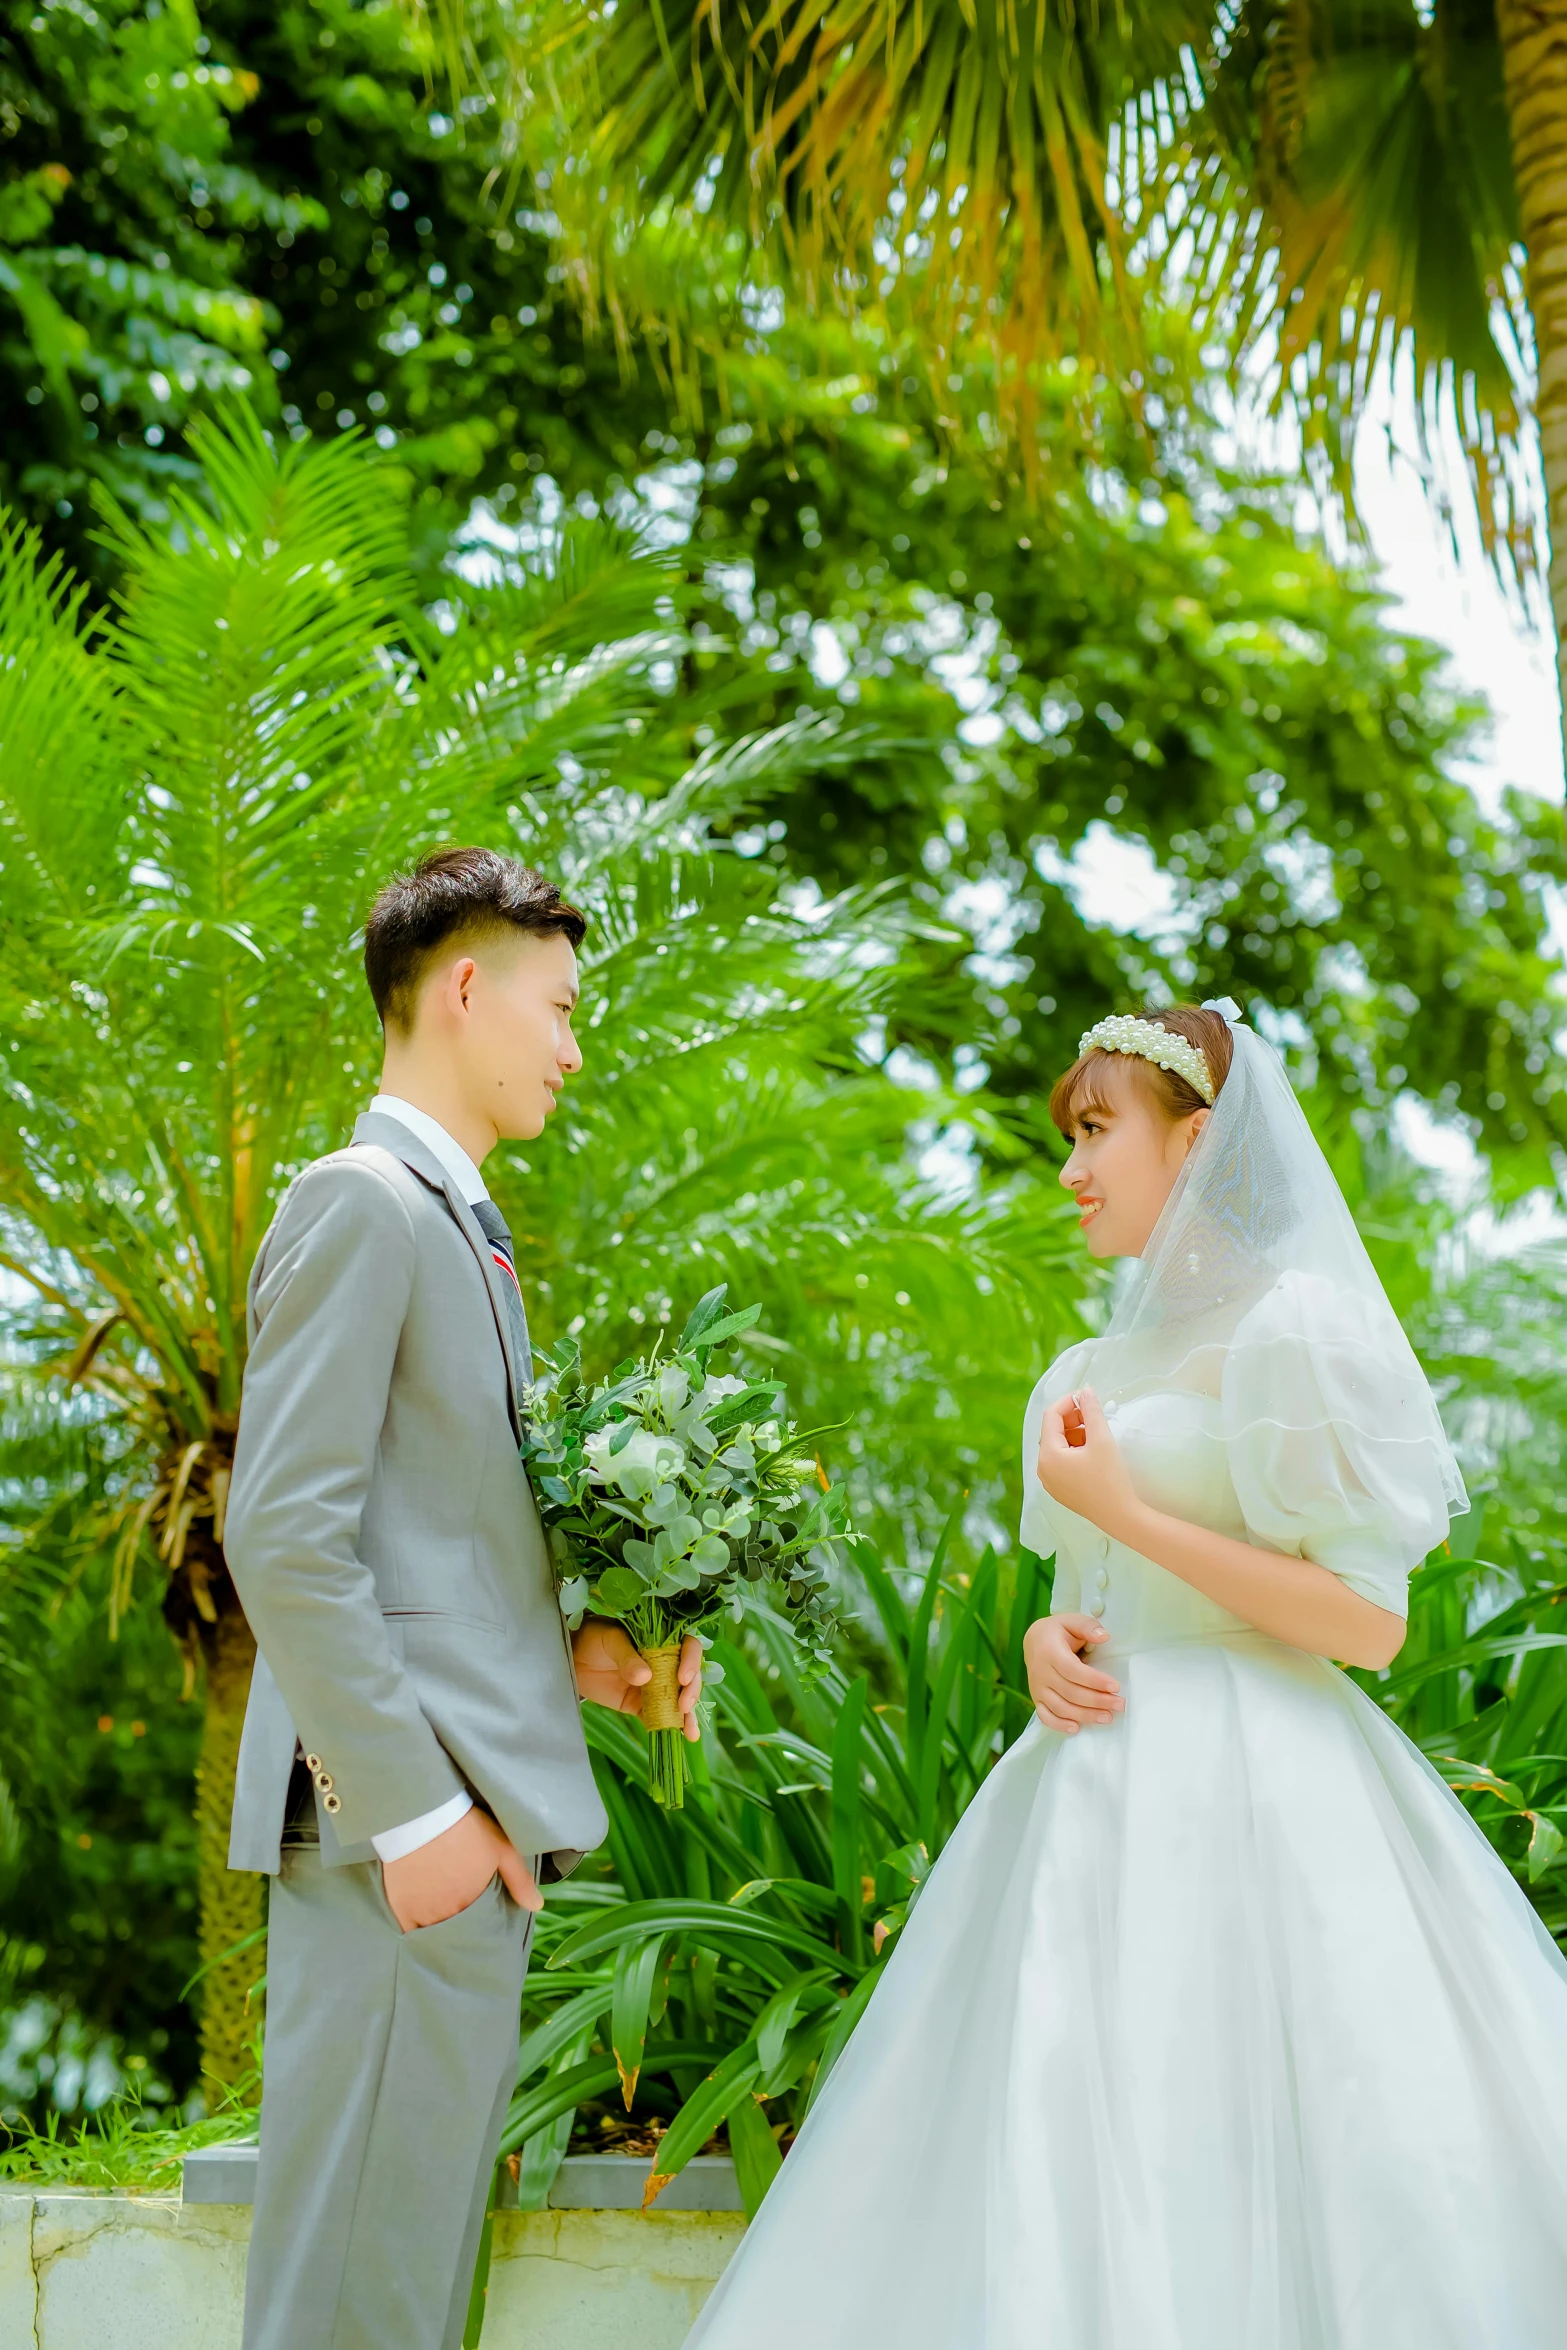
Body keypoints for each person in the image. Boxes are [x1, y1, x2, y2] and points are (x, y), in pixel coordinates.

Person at [684, 999, 1567, 2349]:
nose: (1071, 1165)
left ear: (1195, 1139)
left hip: (1266, 1793)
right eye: (1070, 1134)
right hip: (1088, 1791)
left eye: (1098, 1129)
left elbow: (1365, 1622)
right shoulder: (1079, 1372)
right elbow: (1079, 1600)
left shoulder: (1296, 1332)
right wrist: (1049, 1638)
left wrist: (1141, 1517)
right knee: (1063, 2128)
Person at [224, 846, 702, 2350]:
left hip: (450, 1843)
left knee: (409, 2295)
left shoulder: (463, 1227)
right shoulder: (364, 1201)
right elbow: (285, 1534)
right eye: (558, 1008)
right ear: (465, 986)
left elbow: (420, 1553)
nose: (573, 1044)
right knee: (349, 2305)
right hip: (399, 1846)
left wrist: (586, 1663)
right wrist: (415, 1822)